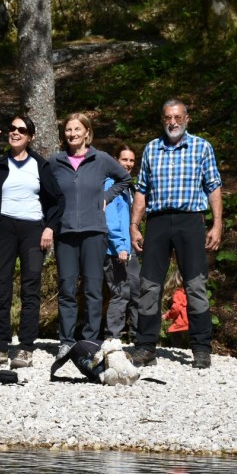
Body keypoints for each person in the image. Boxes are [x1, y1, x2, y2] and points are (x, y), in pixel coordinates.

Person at [130, 99, 223, 369]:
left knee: (195, 284)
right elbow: (141, 190)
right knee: (149, 285)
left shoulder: (201, 147)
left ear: (187, 119)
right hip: (158, 221)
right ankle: (145, 346)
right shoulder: (151, 149)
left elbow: (213, 186)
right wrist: (135, 225)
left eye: (177, 117)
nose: (173, 122)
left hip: (190, 220)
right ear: (163, 120)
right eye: (168, 118)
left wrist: (217, 224)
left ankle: (201, 348)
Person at [0, 117, 63, 369]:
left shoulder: (40, 166)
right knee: (1, 288)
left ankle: (25, 347)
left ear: (30, 136)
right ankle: (0, 346)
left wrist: (49, 228)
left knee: (30, 288)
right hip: (3, 228)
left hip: (33, 229)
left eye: (21, 130)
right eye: (12, 129)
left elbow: (58, 200)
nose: (15, 133)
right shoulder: (1, 163)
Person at [49, 113, 129, 359]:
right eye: (68, 130)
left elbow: (124, 179)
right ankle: (66, 341)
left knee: (94, 289)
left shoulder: (101, 159)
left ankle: (92, 340)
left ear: (87, 132)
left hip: (94, 232)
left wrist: (106, 197)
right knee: (67, 288)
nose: (72, 134)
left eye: (76, 129)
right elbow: (46, 192)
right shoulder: (55, 161)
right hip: (65, 233)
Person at [103, 144, 140, 340]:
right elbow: (111, 220)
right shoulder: (110, 185)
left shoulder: (129, 187)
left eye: (131, 160)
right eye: (124, 159)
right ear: (115, 160)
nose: (128, 164)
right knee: (120, 292)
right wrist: (120, 246)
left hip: (130, 248)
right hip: (115, 249)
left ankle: (136, 336)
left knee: (136, 291)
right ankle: (112, 337)